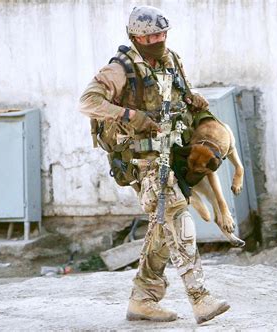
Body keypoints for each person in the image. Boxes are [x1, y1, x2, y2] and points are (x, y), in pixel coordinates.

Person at [79, 5, 230, 324]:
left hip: (171, 153)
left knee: (163, 225)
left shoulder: (171, 59)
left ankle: (143, 299)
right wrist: (131, 116)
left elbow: (181, 95)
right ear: (135, 36)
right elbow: (88, 102)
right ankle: (200, 297)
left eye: (162, 33)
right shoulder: (120, 69)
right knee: (174, 211)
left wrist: (194, 100)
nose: (158, 39)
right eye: (151, 35)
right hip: (140, 159)